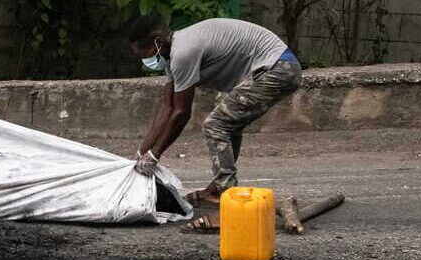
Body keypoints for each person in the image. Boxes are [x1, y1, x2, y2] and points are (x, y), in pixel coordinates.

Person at [129, 16, 301, 206]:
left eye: (144, 54)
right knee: (228, 126)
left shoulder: (184, 53)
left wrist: (154, 155)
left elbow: (181, 113)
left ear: (158, 42)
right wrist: (141, 153)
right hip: (274, 67)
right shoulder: (174, 56)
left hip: (278, 68)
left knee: (216, 125)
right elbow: (167, 106)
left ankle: (225, 192)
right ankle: (219, 188)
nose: (144, 60)